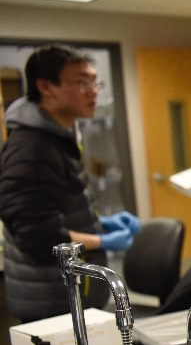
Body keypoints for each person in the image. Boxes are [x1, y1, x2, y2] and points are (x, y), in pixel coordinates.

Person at [0, 44, 141, 322]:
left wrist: (100, 223)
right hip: (52, 301)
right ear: (46, 86)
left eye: (94, 81)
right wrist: (102, 240)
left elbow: (59, 207)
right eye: (81, 82)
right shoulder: (32, 148)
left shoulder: (57, 136)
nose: (93, 90)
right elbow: (38, 235)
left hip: (70, 293)